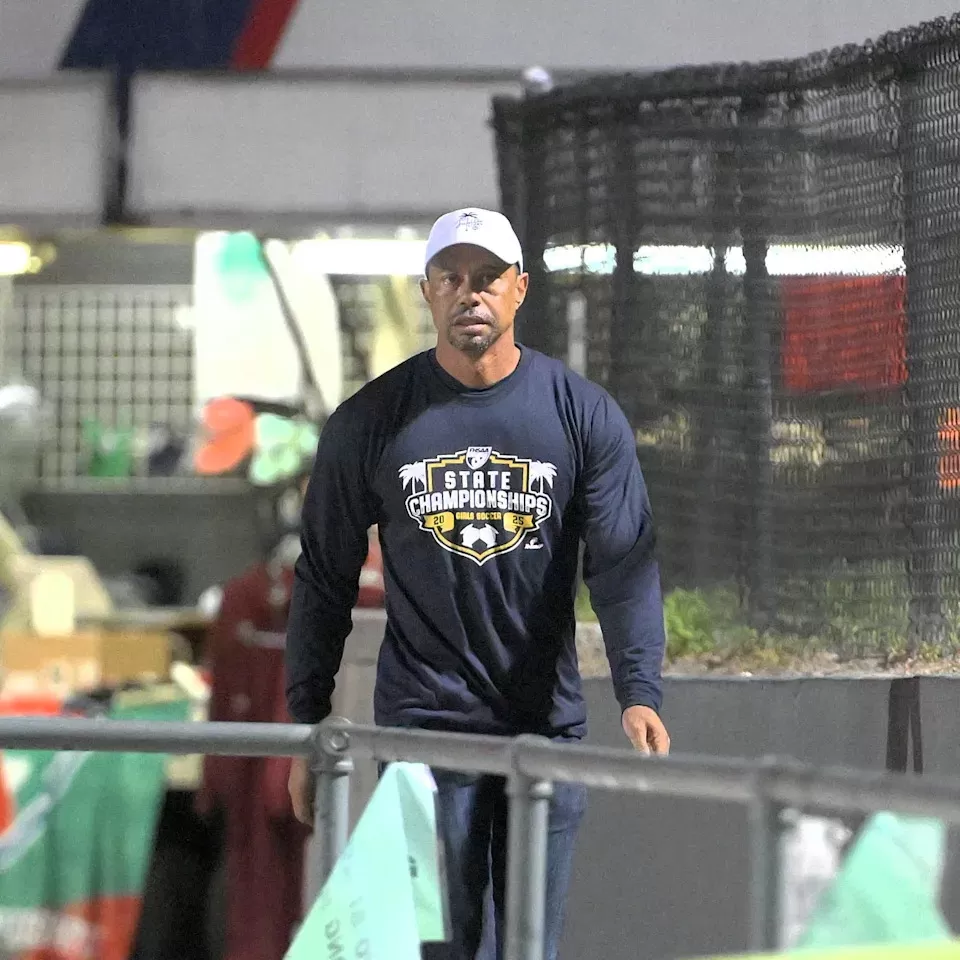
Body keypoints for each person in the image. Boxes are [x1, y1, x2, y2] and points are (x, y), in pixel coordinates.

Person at [285, 207, 670, 960]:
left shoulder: (581, 414)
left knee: (529, 949)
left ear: (520, 289)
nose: (472, 294)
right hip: (422, 734)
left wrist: (639, 689)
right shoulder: (371, 422)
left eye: (489, 277)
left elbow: (623, 562)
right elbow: (323, 578)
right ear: (425, 292)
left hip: (544, 733)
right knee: (436, 950)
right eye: (452, 278)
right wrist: (307, 722)